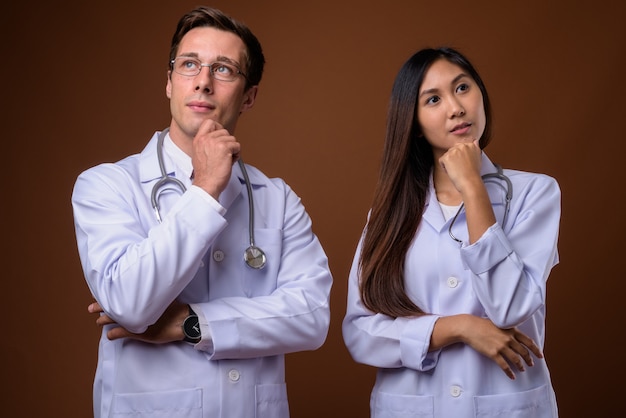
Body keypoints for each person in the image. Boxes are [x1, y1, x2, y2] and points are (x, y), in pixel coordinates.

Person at [71, 6, 332, 418]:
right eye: (189, 64)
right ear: (170, 83)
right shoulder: (106, 185)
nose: (204, 82)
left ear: (249, 97)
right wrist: (205, 188)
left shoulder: (277, 199)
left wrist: (192, 323)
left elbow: (312, 316)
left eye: (224, 69)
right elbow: (130, 303)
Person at [342, 47, 560, 417]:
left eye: (462, 88)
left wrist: (473, 187)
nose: (456, 108)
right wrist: (458, 328)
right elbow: (361, 333)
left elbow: (510, 307)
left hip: (506, 404)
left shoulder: (535, 193)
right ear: (414, 122)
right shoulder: (389, 213)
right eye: (433, 99)